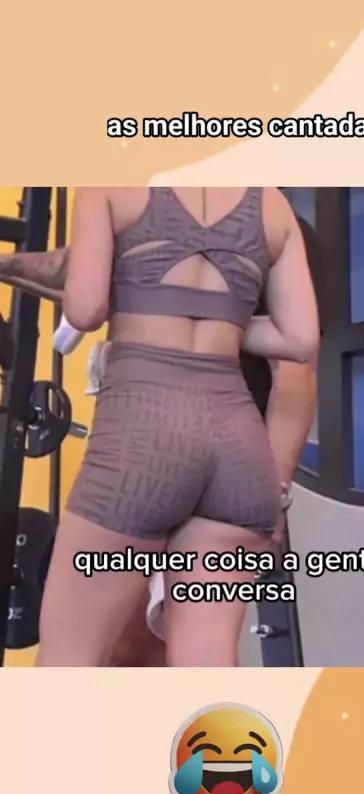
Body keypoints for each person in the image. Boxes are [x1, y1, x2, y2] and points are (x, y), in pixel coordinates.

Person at [0, 188, 319, 666]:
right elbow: (300, 341)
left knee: (69, 662)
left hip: (144, 435)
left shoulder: (111, 180)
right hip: (238, 451)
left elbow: (85, 309)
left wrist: (154, 307)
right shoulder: (271, 203)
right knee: (206, 670)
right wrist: (219, 319)